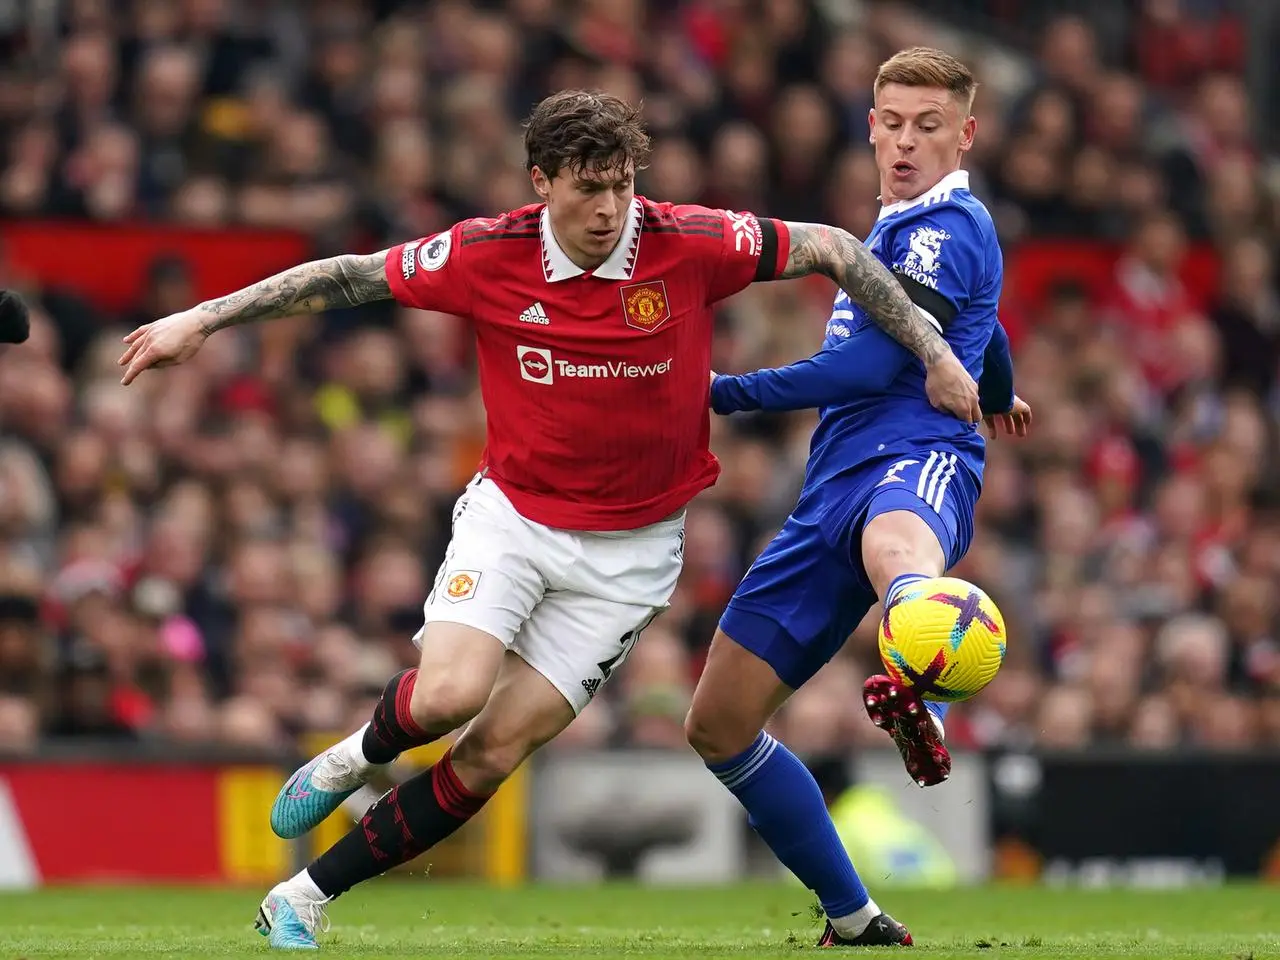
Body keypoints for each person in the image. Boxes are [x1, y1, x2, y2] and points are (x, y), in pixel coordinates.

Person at [117, 89, 979, 949]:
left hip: (633, 557)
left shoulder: (688, 240)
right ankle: (356, 757)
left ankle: (302, 896)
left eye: (622, 186)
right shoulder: (487, 254)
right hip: (516, 522)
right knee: (447, 697)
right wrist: (203, 317)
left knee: (491, 754)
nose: (610, 210)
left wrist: (937, 355)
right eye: (588, 189)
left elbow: (830, 246)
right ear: (542, 183)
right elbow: (350, 275)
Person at [683, 48, 1031, 947]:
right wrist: (997, 385)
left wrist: (718, 393)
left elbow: (868, 365)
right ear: (870, 125)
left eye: (929, 126)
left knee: (897, 550)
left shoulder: (940, 228)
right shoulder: (897, 226)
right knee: (718, 725)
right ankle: (853, 915)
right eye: (892, 123)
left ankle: (928, 676)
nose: (906, 143)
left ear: (966, 134)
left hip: (914, 454)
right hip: (827, 488)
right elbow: (974, 328)